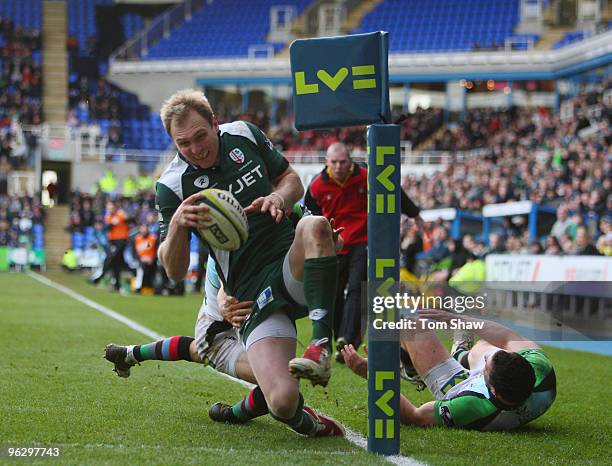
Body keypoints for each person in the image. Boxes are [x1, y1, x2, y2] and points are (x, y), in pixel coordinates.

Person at [152, 89, 343, 437]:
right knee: (283, 400)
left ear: (215, 124)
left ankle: (320, 347)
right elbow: (174, 270)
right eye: (184, 143)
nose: (196, 149)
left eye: (201, 136)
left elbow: (291, 181)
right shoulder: (171, 186)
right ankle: (297, 422)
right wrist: (178, 223)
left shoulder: (244, 134)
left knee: (315, 225)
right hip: (252, 298)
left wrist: (278, 197)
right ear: (172, 143)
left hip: (288, 263)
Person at [342, 309, 556, 431]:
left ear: (490, 387)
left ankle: (432, 366)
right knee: (486, 346)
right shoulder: (541, 369)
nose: (490, 359)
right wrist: (455, 319)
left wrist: (373, 374)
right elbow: (507, 337)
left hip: (458, 386)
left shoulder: (469, 405)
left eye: (486, 368)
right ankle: (461, 354)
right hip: (500, 387)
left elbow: (415, 416)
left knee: (410, 327)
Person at [305, 142, 422, 362]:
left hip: (362, 240)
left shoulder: (366, 177)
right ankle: (337, 339)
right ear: (326, 163)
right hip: (335, 244)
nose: (339, 167)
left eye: (343, 162)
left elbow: (393, 189)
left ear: (350, 161)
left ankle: (347, 340)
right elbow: (310, 214)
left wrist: (414, 213)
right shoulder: (317, 186)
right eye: (334, 162)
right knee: (334, 294)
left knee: (357, 289)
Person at [89, 199, 130, 291]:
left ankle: (99, 276)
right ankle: (117, 283)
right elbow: (108, 227)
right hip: (113, 241)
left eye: (111, 207)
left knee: (110, 258)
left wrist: (120, 216)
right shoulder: (109, 216)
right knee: (117, 262)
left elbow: (127, 218)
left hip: (120, 240)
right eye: (108, 208)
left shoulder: (120, 214)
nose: (109, 209)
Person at [132, 223, 158, 293]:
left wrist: (152, 258)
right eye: (142, 229)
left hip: (152, 261)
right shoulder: (136, 239)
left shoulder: (153, 238)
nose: (144, 230)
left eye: (145, 229)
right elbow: (134, 253)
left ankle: (158, 287)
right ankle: (138, 287)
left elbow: (157, 251)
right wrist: (140, 258)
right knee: (139, 267)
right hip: (140, 261)